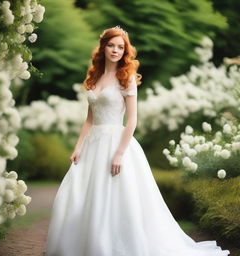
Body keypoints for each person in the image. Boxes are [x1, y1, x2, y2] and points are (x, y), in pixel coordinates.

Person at [45, 25, 230, 256]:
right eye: (111, 45)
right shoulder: (94, 77)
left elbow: (132, 120)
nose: (115, 50)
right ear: (103, 48)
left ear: (125, 51)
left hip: (116, 143)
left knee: (115, 198)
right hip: (93, 145)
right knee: (84, 196)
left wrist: (119, 153)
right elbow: (89, 120)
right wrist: (78, 147)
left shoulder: (127, 78)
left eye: (120, 47)